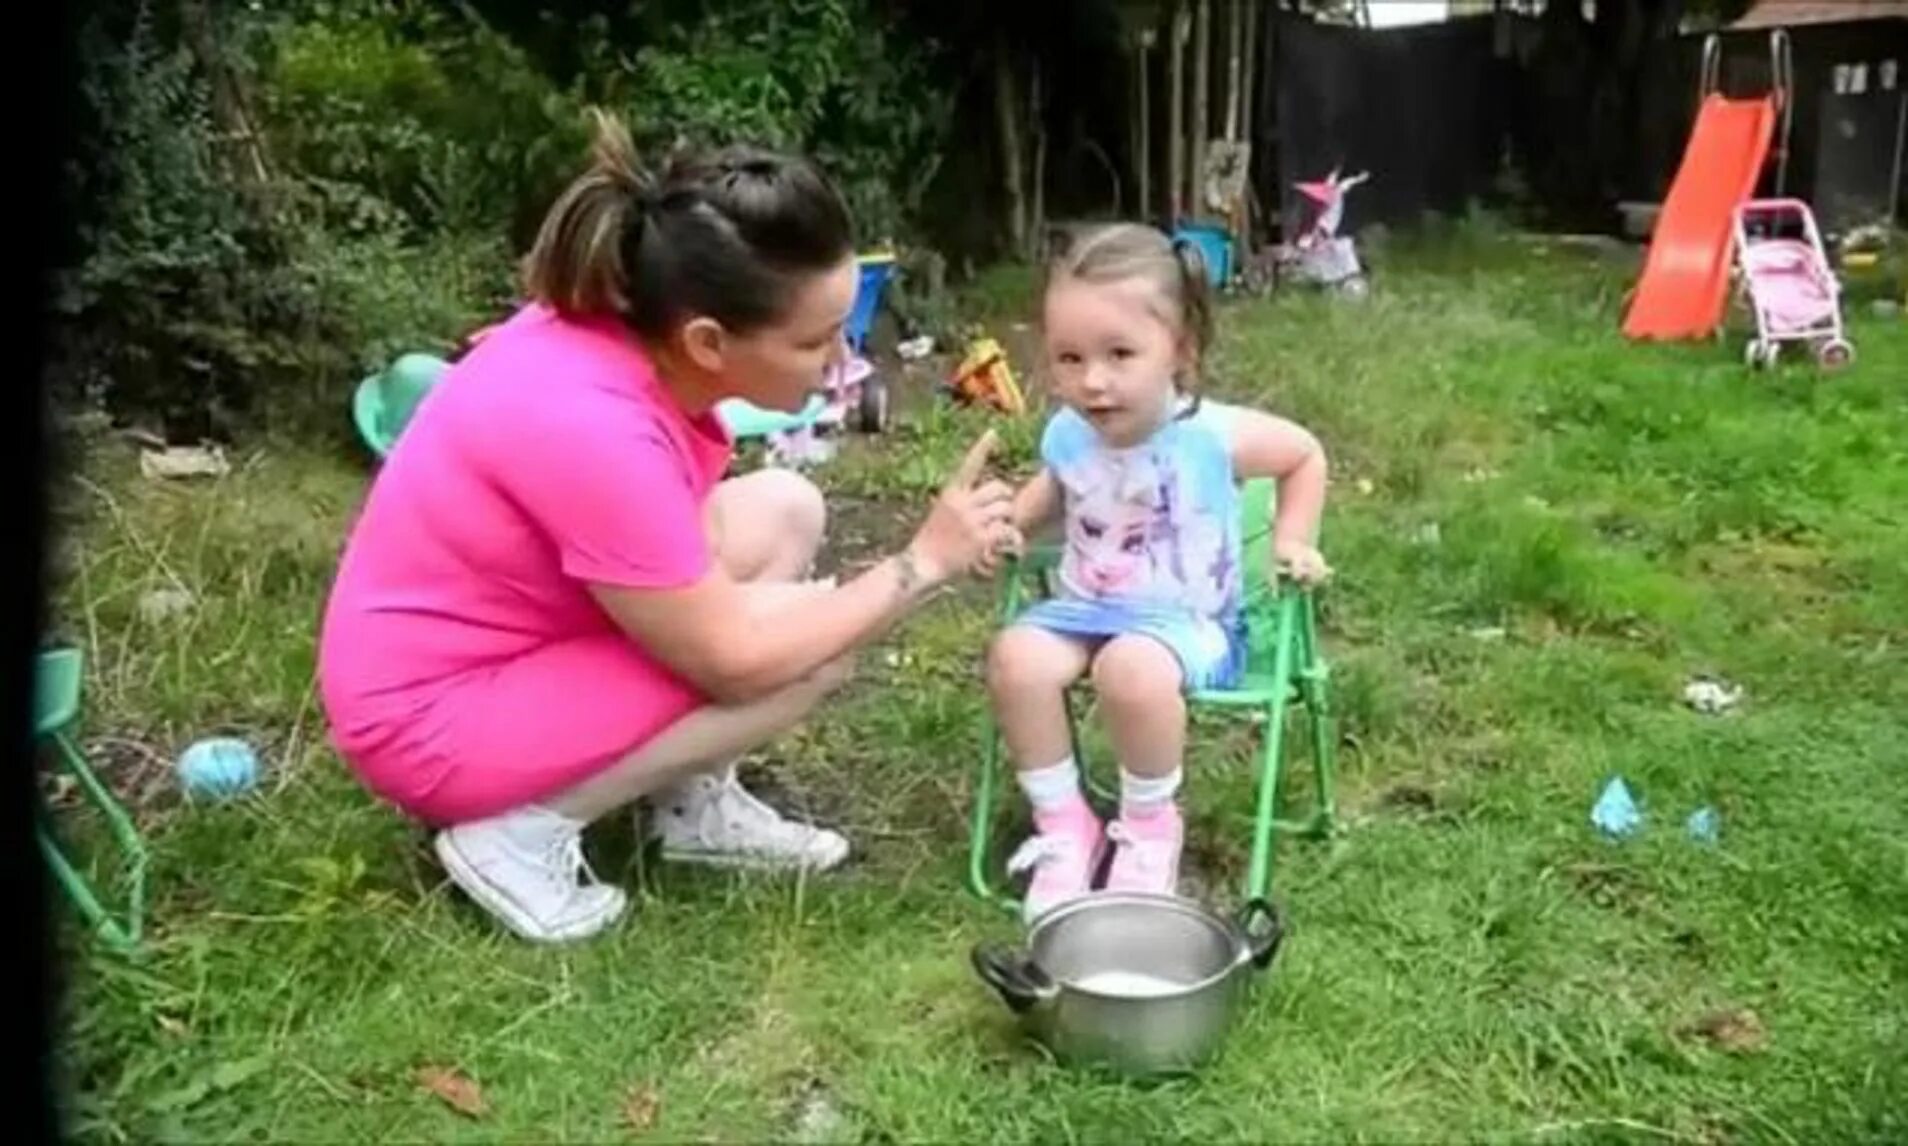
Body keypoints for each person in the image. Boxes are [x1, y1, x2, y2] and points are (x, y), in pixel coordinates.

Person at [317, 111, 1016, 944]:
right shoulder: (592, 425)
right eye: (816, 341)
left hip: (514, 635)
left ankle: (686, 805)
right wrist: (920, 563)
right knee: (811, 653)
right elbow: (737, 659)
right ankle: (518, 834)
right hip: (432, 715)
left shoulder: (633, 333)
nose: (842, 363)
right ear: (709, 341)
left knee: (788, 507)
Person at [984, 223, 1331, 922]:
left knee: (1132, 669)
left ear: (1180, 349)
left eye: (1119, 354)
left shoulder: (1210, 433)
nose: (1094, 380)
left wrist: (1293, 539)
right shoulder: (1069, 431)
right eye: (1070, 358)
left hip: (1190, 625)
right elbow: (1057, 486)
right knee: (1014, 656)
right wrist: (1011, 527)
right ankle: (1064, 827)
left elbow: (1304, 456)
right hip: (1085, 610)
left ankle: (1146, 830)